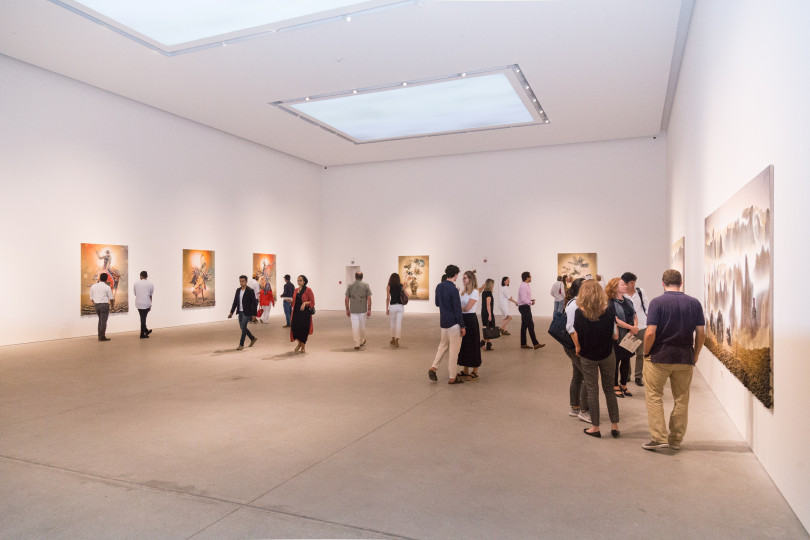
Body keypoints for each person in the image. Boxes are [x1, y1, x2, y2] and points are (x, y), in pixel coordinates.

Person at [641, 270, 705, 451]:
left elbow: (650, 333)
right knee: (682, 399)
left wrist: (646, 352)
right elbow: (701, 334)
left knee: (654, 396)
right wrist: (696, 354)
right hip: (684, 357)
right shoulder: (694, 303)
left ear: (663, 283)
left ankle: (659, 437)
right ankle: (676, 439)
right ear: (681, 283)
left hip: (659, 357)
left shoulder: (657, 303)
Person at [570, 279, 621, 439]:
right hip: (607, 354)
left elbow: (577, 334)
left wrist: (578, 348)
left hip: (588, 356)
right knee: (609, 390)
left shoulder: (579, 313)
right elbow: (615, 335)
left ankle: (595, 427)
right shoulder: (609, 310)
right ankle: (615, 426)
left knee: (592, 391)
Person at [428, 264, 465, 384]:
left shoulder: (439, 286)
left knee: (443, 346)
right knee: (454, 351)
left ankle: (434, 367)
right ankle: (452, 377)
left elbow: (437, 303)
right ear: (455, 275)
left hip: (443, 323)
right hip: (454, 324)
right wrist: (462, 325)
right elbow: (457, 310)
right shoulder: (453, 289)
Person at [605, 278, 638, 399]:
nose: (625, 286)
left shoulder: (628, 301)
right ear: (615, 287)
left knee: (626, 360)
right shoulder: (610, 302)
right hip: (617, 336)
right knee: (616, 361)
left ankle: (623, 384)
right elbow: (616, 320)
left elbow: (634, 315)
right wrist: (631, 327)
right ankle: (615, 385)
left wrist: (634, 327)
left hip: (629, 335)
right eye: (622, 284)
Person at [563, 278, 590, 423]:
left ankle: (575, 407)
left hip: (574, 345)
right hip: (574, 346)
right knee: (587, 376)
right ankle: (584, 410)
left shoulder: (576, 302)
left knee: (578, 376)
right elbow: (571, 329)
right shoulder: (574, 305)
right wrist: (578, 347)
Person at [621, 272, 649, 387]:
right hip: (629, 328)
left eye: (634, 282)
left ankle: (638, 376)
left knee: (640, 354)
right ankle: (627, 375)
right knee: (627, 352)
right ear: (625, 283)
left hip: (642, 326)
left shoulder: (640, 292)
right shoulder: (622, 294)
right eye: (631, 283)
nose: (633, 285)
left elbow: (647, 307)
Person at [457, 271, 482, 379]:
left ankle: (475, 371)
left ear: (470, 279)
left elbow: (467, 308)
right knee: (464, 345)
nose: (463, 280)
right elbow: (461, 306)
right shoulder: (464, 292)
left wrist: (457, 308)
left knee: (473, 344)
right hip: (463, 319)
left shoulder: (475, 292)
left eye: (465, 278)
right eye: (463, 278)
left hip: (471, 319)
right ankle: (465, 369)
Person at [228, 275, 258, 350]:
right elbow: (235, 302)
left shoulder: (250, 290)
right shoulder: (238, 290)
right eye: (240, 281)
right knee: (242, 327)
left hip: (247, 312)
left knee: (243, 327)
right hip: (240, 312)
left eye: (243, 281)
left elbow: (254, 303)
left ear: (246, 282)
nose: (241, 283)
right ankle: (252, 338)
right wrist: (231, 312)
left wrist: (254, 314)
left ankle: (241, 344)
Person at [517, 271, 545, 350]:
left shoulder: (525, 285)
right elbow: (523, 299)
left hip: (525, 307)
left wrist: (530, 300)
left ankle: (523, 344)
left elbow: (524, 298)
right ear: (527, 277)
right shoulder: (524, 286)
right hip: (524, 307)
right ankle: (535, 344)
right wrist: (530, 302)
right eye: (530, 276)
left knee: (524, 326)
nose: (531, 278)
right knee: (530, 325)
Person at [345, 271, 372, 349]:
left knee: (355, 326)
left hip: (353, 309)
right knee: (362, 326)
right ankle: (361, 340)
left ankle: (356, 343)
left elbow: (346, 299)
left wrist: (347, 309)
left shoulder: (350, 285)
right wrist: (369, 309)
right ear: (362, 277)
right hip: (362, 309)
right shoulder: (366, 285)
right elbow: (369, 298)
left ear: (355, 277)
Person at [290, 275, 315, 353]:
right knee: (294, 328)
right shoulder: (295, 290)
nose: (299, 282)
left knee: (304, 329)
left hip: (305, 313)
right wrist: (290, 301)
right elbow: (294, 301)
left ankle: (303, 346)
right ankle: (299, 343)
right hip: (296, 312)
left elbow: (312, 302)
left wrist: (304, 303)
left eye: (300, 280)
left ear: (304, 281)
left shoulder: (308, 290)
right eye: (298, 280)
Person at [90, 272, 115, 341]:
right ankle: (102, 337)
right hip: (104, 305)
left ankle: (100, 335)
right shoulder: (107, 287)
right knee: (103, 321)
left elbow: (91, 298)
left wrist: (96, 304)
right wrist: (112, 305)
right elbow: (111, 298)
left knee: (100, 320)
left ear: (99, 278)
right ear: (106, 279)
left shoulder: (93, 286)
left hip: (96, 305)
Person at [386, 273, 409, 347]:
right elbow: (408, 295)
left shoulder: (389, 286)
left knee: (392, 323)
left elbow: (388, 298)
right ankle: (397, 341)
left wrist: (387, 309)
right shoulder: (401, 286)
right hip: (400, 306)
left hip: (392, 306)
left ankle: (392, 339)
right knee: (398, 323)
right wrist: (404, 289)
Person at [133, 270, 154, 339]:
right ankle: (142, 334)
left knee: (143, 318)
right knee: (143, 319)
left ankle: (146, 330)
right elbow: (150, 295)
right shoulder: (150, 284)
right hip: (146, 303)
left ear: (140, 276)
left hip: (138, 303)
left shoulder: (136, 283)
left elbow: (135, 293)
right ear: (147, 276)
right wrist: (150, 305)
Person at [480, 278, 496, 351]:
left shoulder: (484, 292)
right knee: (489, 328)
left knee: (488, 328)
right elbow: (488, 304)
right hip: (487, 312)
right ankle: (482, 342)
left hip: (483, 312)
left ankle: (488, 345)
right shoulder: (489, 293)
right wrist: (490, 315)